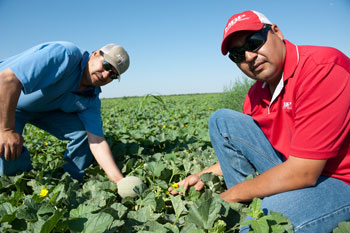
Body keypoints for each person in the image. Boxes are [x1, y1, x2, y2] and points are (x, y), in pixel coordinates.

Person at [170, 10, 350, 232]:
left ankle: (250, 213)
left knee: (267, 218)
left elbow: (304, 172)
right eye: (237, 54)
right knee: (222, 120)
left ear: (276, 32)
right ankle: (247, 209)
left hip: (340, 180)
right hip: (293, 166)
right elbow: (251, 152)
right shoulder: (255, 94)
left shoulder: (321, 68)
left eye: (254, 42)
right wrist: (202, 175)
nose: (248, 57)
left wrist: (230, 195)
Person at [0, 41, 129, 186]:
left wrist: (119, 180)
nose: (105, 74)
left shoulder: (91, 97)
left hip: (42, 110)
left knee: (84, 134)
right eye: (106, 66)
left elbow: (97, 141)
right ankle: (19, 187)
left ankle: (69, 183)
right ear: (95, 54)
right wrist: (6, 130)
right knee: (7, 147)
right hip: (5, 99)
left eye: (112, 75)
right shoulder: (65, 56)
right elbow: (7, 80)